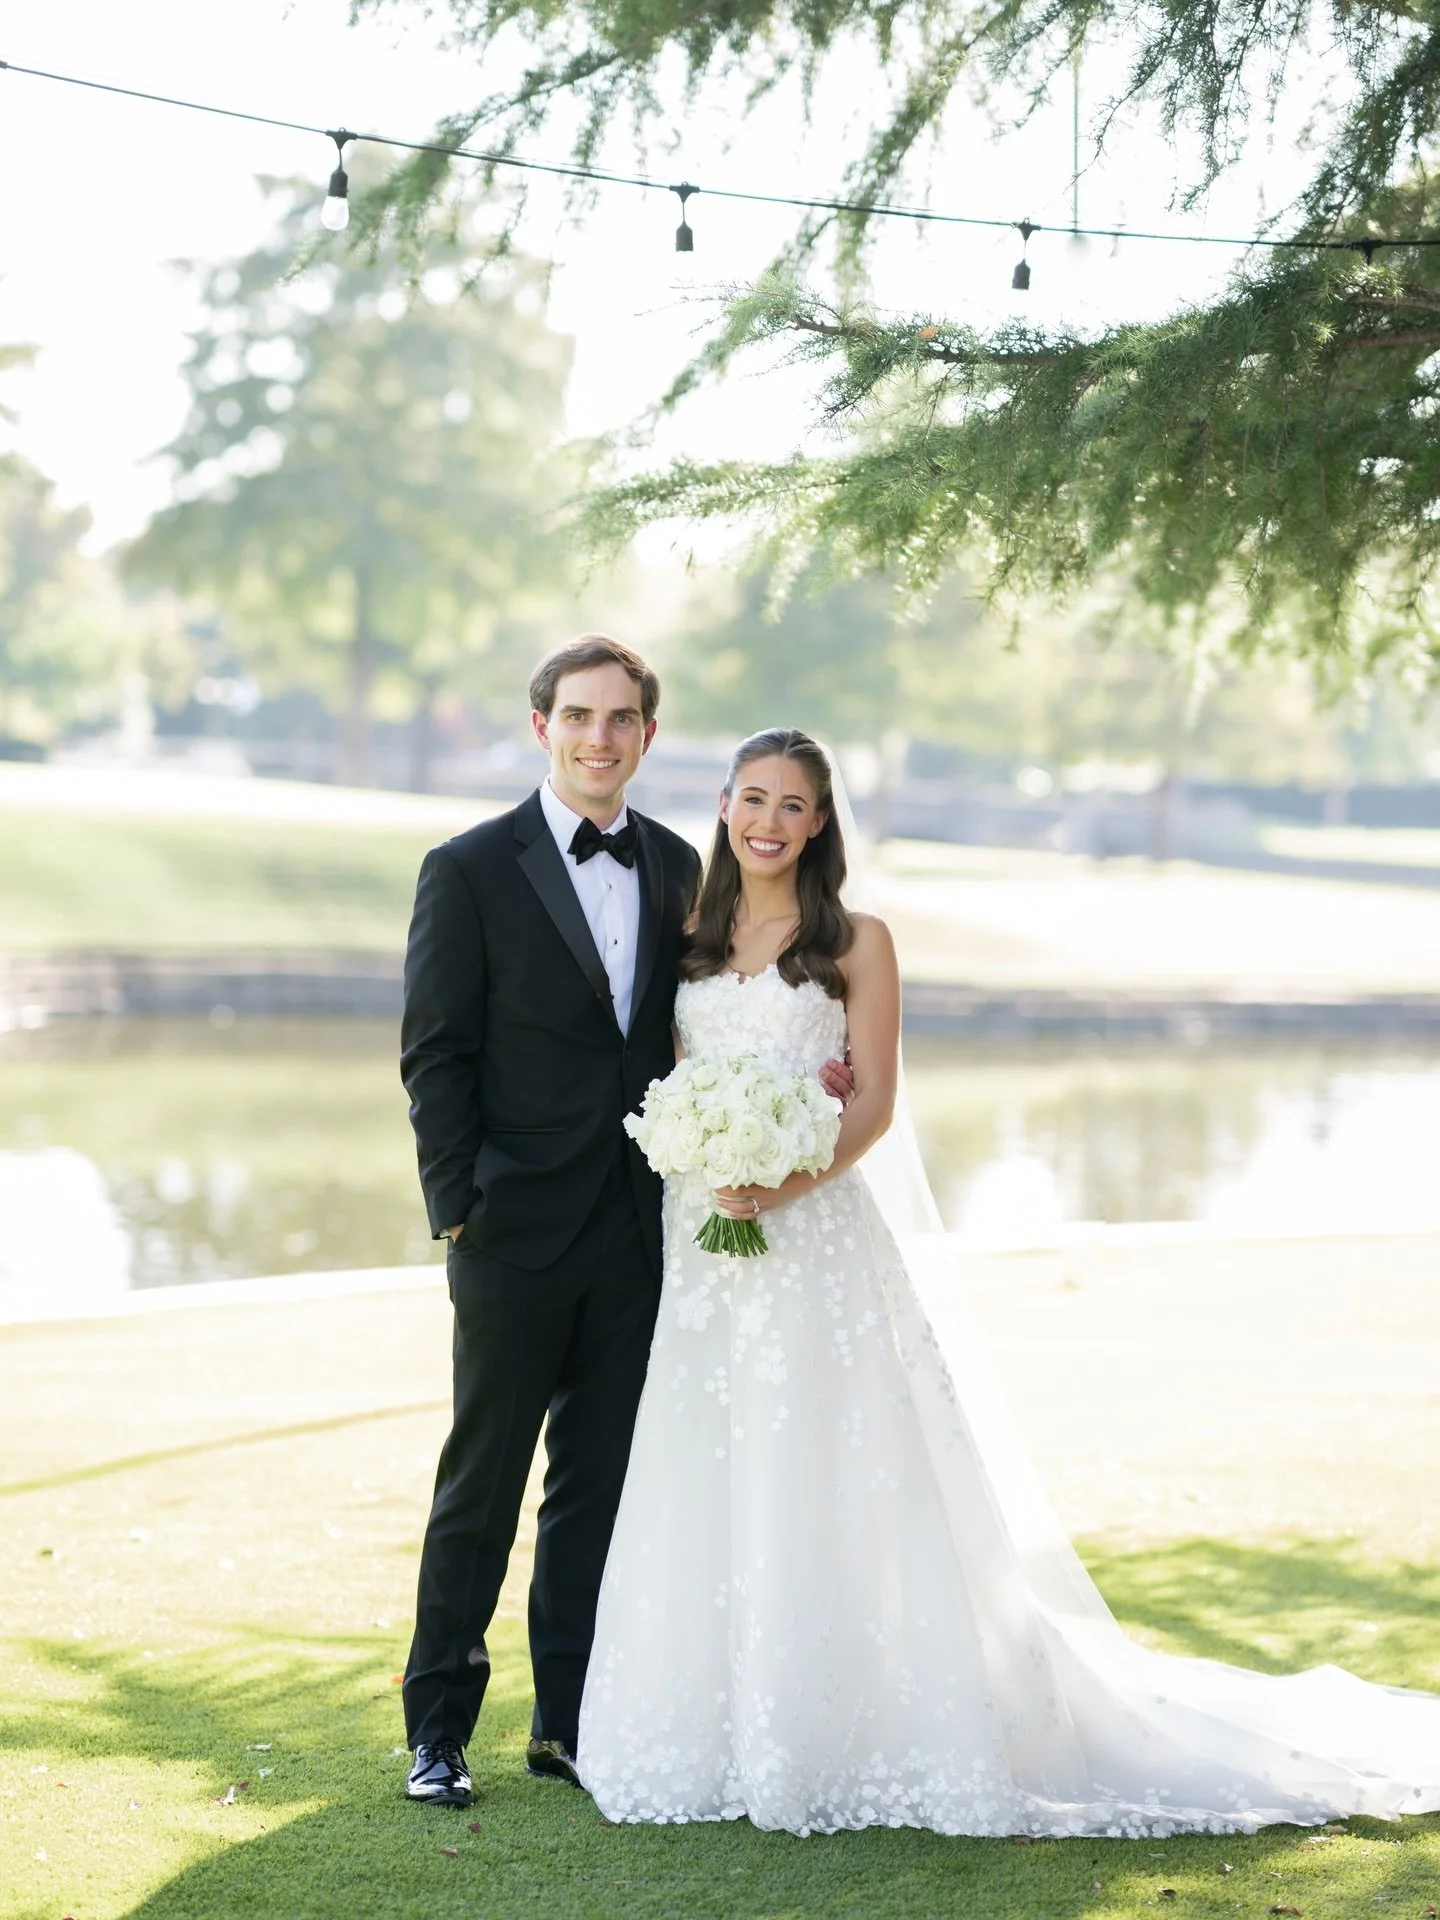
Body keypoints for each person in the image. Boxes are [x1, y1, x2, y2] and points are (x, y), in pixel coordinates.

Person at [577, 726, 1440, 1838]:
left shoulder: (859, 942)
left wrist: (784, 1183)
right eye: (753, 799)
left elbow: (873, 1102)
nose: (769, 823)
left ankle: (846, 1727)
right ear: (724, 805)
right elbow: (678, 1081)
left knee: (830, 1463)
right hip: (705, 1248)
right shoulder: (691, 939)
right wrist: (706, 1155)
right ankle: (716, 1724)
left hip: (816, 1237)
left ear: (822, 822)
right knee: (711, 1460)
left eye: (793, 805)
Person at [397, 644, 849, 1808]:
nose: (600, 738)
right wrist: (459, 1211)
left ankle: (569, 1724)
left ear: (648, 735)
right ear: (542, 726)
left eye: (622, 720)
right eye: (579, 716)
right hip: (509, 1231)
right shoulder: (467, 868)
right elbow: (436, 1055)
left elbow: (698, 1030)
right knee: (482, 1485)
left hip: (643, 1233)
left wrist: (804, 1096)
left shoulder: (677, 869)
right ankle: (438, 1732)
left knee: (597, 1487)